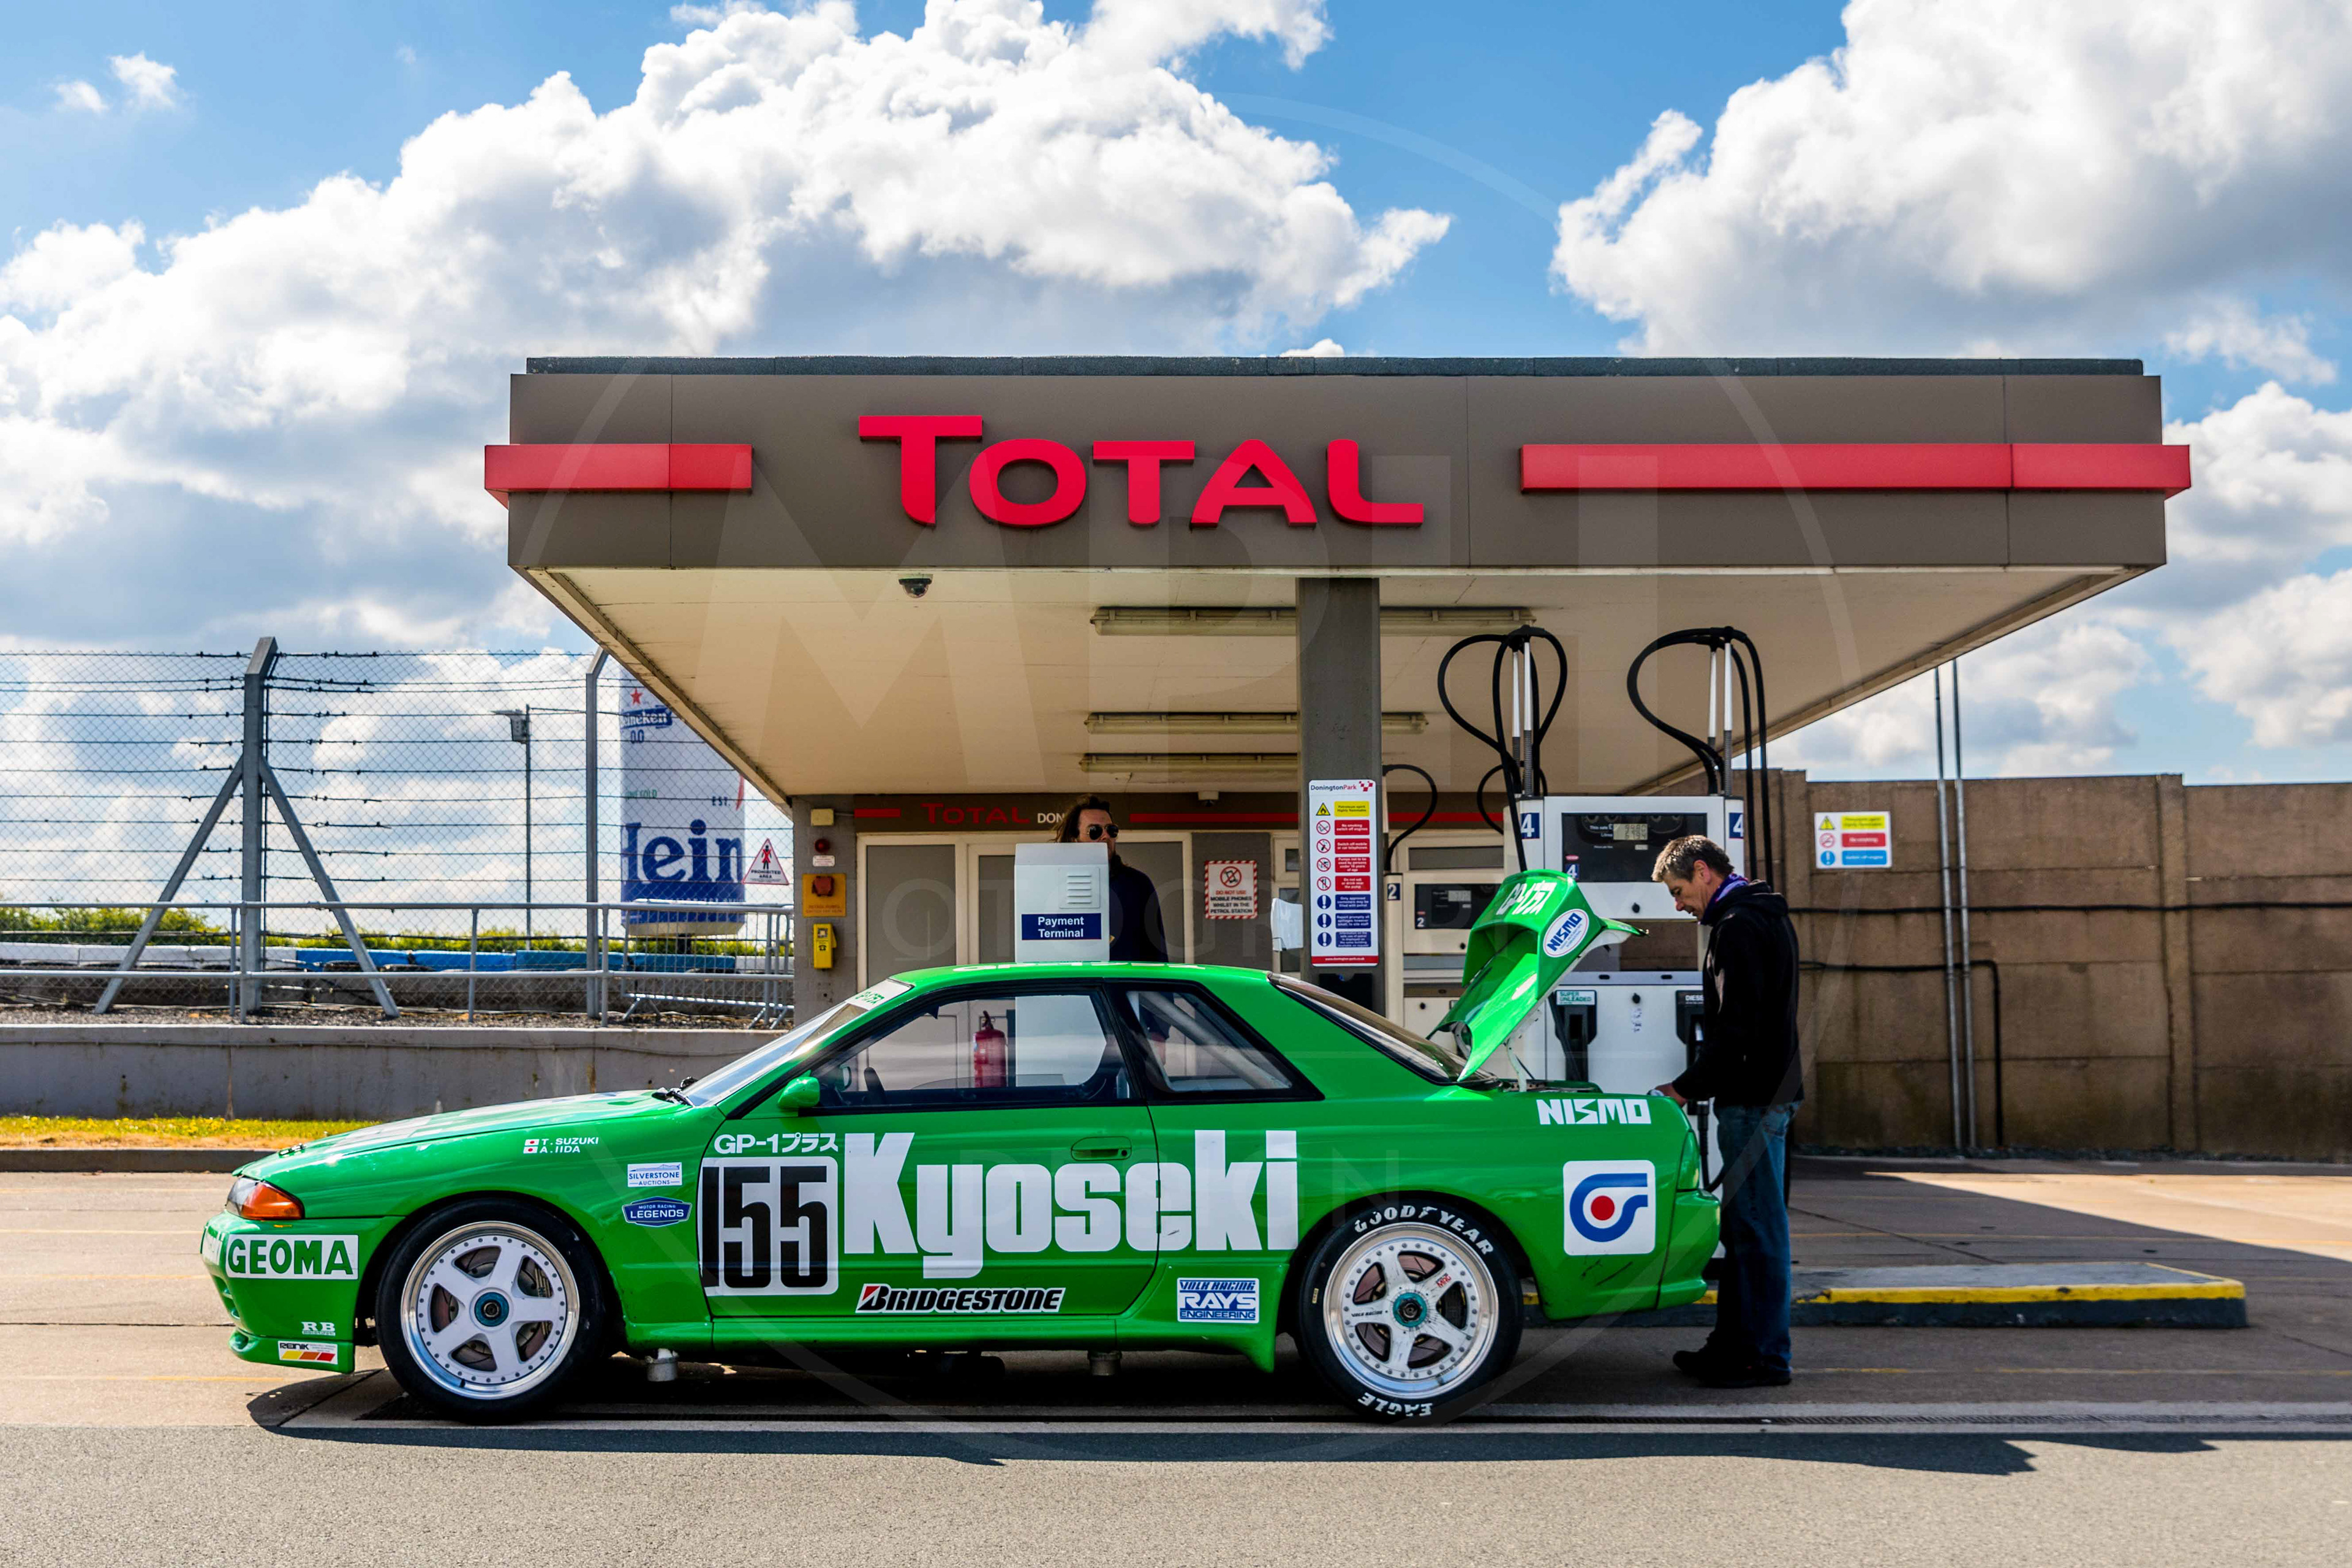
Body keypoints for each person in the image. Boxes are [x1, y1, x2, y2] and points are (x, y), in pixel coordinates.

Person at [1649, 833, 1801, 1390]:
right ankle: (1732, 1347)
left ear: (1706, 872)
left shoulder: (1738, 928)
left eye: (1679, 889)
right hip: (1765, 1094)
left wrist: (1686, 1088)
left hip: (1753, 1100)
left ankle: (1763, 1357)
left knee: (1756, 1230)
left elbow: (1738, 1027)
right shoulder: (1759, 918)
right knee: (1744, 1228)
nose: (1678, 903)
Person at [1057, 795, 1167, 962]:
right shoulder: (1055, 885)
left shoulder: (1138, 885)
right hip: (1073, 985)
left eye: (1111, 830)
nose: (1105, 836)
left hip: (1126, 985)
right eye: (1095, 831)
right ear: (1075, 839)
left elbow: (1157, 953)